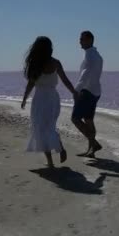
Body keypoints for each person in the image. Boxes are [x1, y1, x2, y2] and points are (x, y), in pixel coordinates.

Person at [21, 36, 78, 168]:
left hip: (40, 98)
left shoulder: (35, 65)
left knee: (41, 128)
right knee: (49, 127)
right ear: (49, 49)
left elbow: (30, 84)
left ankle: (51, 161)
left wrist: (24, 98)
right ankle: (60, 150)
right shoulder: (56, 63)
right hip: (53, 98)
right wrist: (73, 92)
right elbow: (65, 80)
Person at [72, 30, 104, 158]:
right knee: (89, 120)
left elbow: (85, 75)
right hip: (96, 91)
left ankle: (94, 144)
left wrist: (76, 90)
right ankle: (91, 150)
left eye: (82, 39)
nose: (80, 41)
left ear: (89, 40)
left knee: (75, 118)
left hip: (87, 91)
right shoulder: (96, 55)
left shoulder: (91, 56)